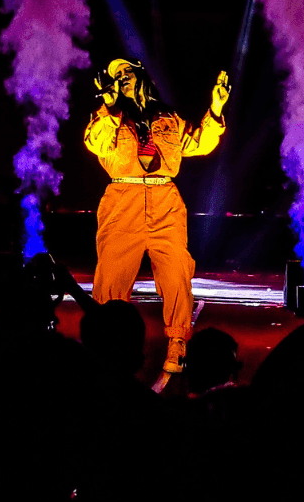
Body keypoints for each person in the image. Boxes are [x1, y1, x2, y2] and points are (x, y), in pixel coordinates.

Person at [84, 59, 229, 383]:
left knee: (176, 272)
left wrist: (216, 108)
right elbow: (96, 144)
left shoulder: (167, 117)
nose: (122, 78)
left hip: (165, 201)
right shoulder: (107, 117)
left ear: (140, 76)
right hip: (123, 201)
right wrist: (109, 108)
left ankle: (178, 344)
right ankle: (106, 345)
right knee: (111, 278)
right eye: (116, 76)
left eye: (126, 72)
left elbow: (199, 143)